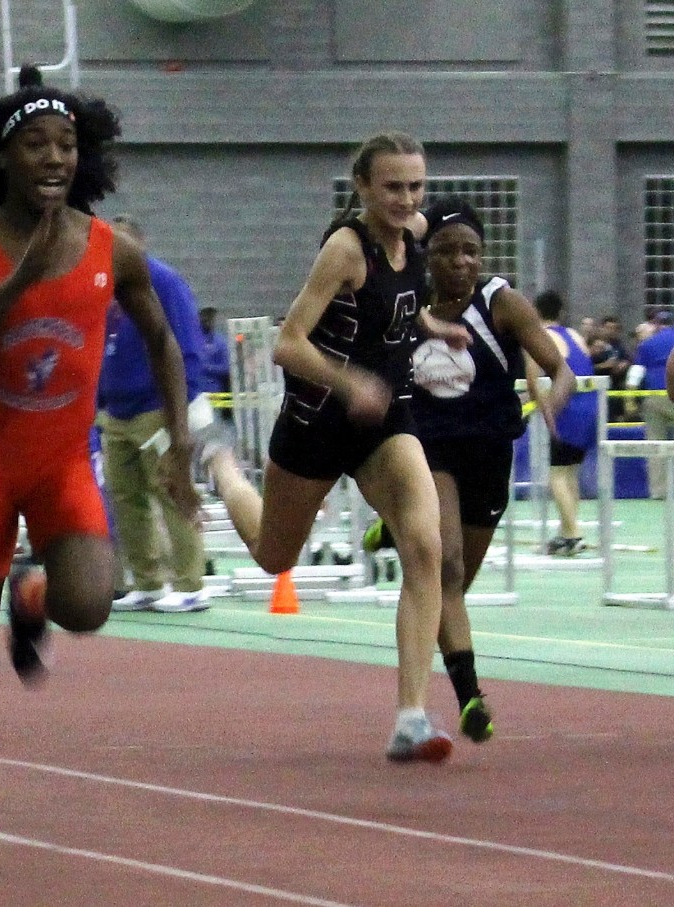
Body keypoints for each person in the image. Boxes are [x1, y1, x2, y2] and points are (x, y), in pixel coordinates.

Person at [0, 66, 199, 863]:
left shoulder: (114, 248)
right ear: (1, 159)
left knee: (88, 607)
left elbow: (164, 339)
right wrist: (24, 280)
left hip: (64, 464)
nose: (53, 158)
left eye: (67, 145)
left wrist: (178, 443)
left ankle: (31, 590)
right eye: (35, 143)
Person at [202, 132, 468, 763]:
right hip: (318, 420)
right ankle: (220, 468)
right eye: (393, 188)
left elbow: (398, 309)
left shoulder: (417, 236)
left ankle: (411, 716)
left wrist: (434, 328)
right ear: (363, 188)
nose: (406, 199)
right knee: (273, 556)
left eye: (415, 187)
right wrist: (351, 382)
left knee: (426, 547)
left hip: (384, 422)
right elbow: (288, 344)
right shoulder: (345, 251)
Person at [408, 197, 573, 745]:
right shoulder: (409, 306)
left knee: (453, 584)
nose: (460, 262)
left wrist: (552, 397)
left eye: (471, 252)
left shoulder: (500, 302)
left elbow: (558, 366)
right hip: (429, 452)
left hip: (489, 455)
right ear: (427, 255)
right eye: (447, 251)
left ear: (483, 258)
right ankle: (470, 697)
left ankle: (400, 532)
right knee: (446, 564)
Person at [99, 214, 211, 613]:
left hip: (156, 408)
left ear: (138, 246)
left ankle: (190, 583)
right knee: (125, 498)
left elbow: (186, 347)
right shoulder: (105, 287)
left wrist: (179, 414)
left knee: (171, 491)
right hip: (116, 410)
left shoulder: (163, 282)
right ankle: (147, 581)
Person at [529, 290, 599, 549]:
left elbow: (534, 376)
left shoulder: (544, 337)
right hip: (590, 407)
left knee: (557, 474)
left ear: (535, 313)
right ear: (560, 313)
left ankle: (572, 533)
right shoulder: (576, 336)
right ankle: (566, 529)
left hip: (568, 409)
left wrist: (534, 404)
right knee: (569, 473)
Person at [633, 311, 674, 498]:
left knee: (655, 444)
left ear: (656, 325)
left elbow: (635, 375)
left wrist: (629, 400)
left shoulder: (647, 344)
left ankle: (658, 491)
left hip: (654, 398)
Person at [198, 306, 232, 419]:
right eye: (205, 318)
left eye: (211, 319)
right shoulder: (193, 340)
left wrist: (206, 368)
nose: (208, 321)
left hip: (214, 395)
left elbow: (226, 368)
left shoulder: (220, 342)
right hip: (195, 395)